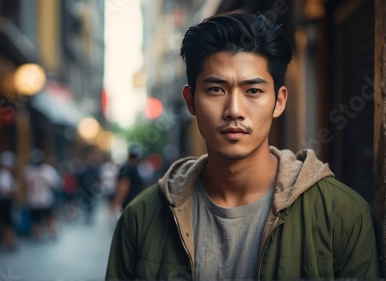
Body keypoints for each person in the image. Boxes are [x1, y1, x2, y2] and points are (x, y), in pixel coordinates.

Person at [106, 10, 381, 280]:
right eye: (216, 89)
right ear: (190, 101)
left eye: (253, 91)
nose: (234, 110)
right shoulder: (140, 220)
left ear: (279, 101)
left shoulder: (343, 217)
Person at [24, 149, 61, 241]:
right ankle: (52, 233)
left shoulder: (28, 171)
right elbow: (55, 184)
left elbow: (25, 185)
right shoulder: (48, 170)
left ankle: (38, 235)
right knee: (49, 217)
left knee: (36, 220)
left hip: (33, 200)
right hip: (46, 199)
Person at [109, 146, 144, 215]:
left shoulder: (126, 168)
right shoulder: (138, 169)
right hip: (135, 203)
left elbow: (123, 187)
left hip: (129, 204)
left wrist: (116, 204)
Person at [0, 151, 18, 250]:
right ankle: (9, 242)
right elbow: (5, 190)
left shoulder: (7, 175)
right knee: (7, 223)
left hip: (7, 202)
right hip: (5, 202)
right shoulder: (3, 175)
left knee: (9, 223)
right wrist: (14, 192)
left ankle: (10, 241)